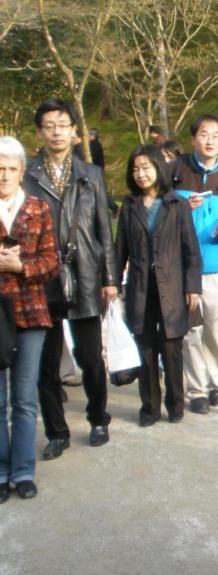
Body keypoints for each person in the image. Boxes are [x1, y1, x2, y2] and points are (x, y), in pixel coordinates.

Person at [22, 98, 119, 458]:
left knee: (91, 356)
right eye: (49, 125)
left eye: (63, 124)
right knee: (46, 362)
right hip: (43, 279)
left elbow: (104, 232)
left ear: (75, 132)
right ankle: (57, 432)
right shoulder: (28, 175)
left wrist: (111, 278)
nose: (57, 131)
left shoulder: (91, 175)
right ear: (39, 132)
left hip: (87, 276)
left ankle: (98, 418)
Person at [115, 145, 201, 427]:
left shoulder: (176, 204)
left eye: (146, 168)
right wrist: (113, 283)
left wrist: (193, 287)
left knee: (172, 347)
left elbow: (191, 250)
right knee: (146, 348)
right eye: (135, 169)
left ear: (158, 169)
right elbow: (120, 251)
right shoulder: (129, 207)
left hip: (173, 288)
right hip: (140, 288)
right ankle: (149, 407)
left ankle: (176, 404)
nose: (141, 174)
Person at [170, 113, 218, 415]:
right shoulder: (176, 170)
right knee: (190, 329)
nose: (210, 140)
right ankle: (197, 390)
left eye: (215, 135)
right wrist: (181, 207)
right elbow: (161, 208)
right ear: (193, 139)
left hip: (214, 264)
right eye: (204, 134)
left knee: (215, 326)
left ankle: (217, 386)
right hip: (181, 265)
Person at [0, 136, 59, 502]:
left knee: (24, 397)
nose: (4, 175)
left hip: (30, 312)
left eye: (10, 169)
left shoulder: (38, 207)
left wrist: (20, 265)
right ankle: (1, 470)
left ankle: (22, 470)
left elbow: (52, 262)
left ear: (22, 171)